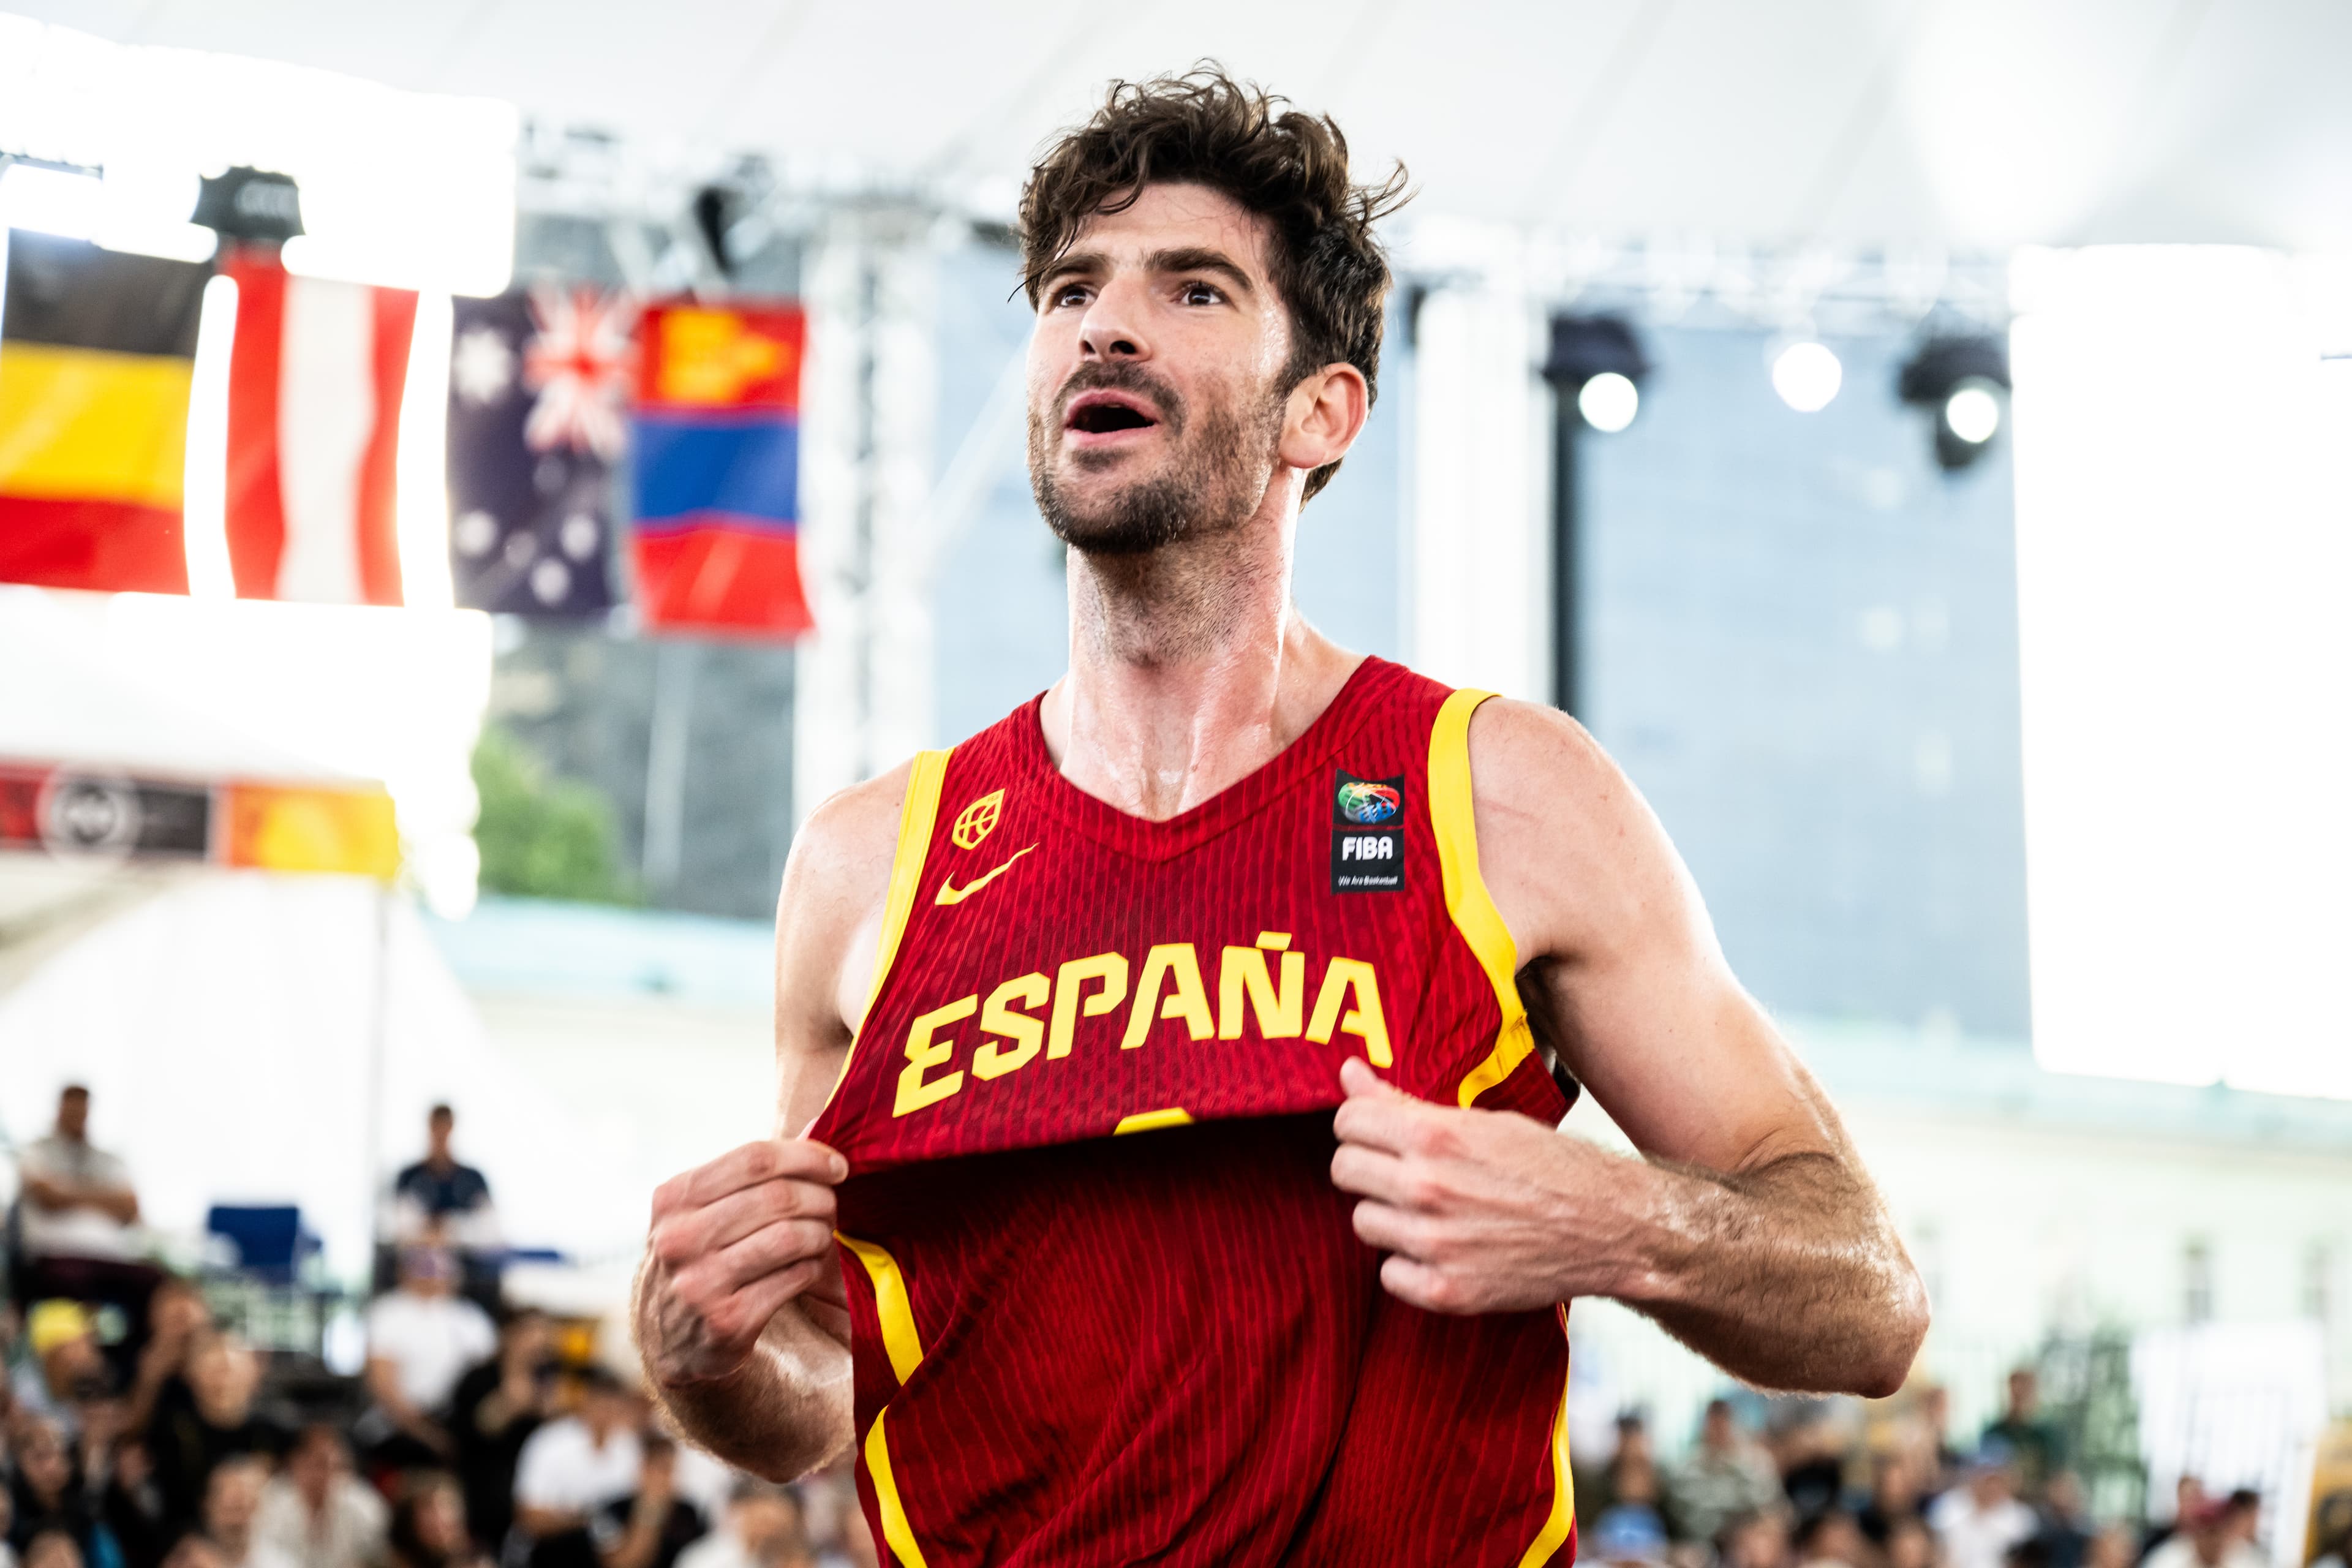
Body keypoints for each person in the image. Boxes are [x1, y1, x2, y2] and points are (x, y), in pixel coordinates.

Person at [632, 64, 1928, 1565]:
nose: (1105, 324)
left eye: (1191, 288)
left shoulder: (1500, 793)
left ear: (1321, 408)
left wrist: (1621, 1222)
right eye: (1070, 290)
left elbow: (1870, 1295)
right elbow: (816, 1388)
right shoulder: (869, 865)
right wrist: (702, 1355)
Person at [360, 1249, 496, 1471]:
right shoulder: (388, 1313)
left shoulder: (473, 1319)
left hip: (460, 1425)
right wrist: (429, 1435)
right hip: (400, 1428)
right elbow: (384, 1387)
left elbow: (488, 1378)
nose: (433, 1269)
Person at [148, 1333, 282, 1532]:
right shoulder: (173, 1432)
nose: (223, 1382)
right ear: (192, 1375)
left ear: (253, 1374)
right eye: (215, 1371)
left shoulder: (273, 1433)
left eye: (231, 1370)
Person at [447, 1308, 554, 1555]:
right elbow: (472, 1433)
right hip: (481, 1484)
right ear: (509, 1335)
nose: (537, 1341)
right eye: (529, 1332)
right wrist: (509, 1404)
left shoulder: (546, 1380)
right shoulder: (478, 1378)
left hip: (527, 1481)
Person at [511, 1369, 644, 1558]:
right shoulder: (550, 1442)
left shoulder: (629, 1446)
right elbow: (529, 1516)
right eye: (600, 1402)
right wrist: (585, 1520)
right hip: (548, 1551)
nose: (606, 1411)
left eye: (612, 1403)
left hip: (604, 1552)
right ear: (586, 1401)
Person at [252, 1425, 388, 1568]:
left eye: (336, 1466)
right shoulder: (270, 1501)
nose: (329, 1475)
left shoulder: (362, 1503)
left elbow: (377, 1554)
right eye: (320, 1464)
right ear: (297, 1463)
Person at [1670, 1401, 1785, 1547]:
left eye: (1724, 1422)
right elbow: (1684, 1517)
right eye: (1714, 1424)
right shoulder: (1688, 1468)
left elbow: (1770, 1504)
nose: (1719, 1430)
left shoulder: (1757, 1461)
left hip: (1750, 1539)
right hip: (1704, 1543)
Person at [585, 1437, 703, 1568]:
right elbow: (618, 1563)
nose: (664, 1478)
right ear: (643, 1469)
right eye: (660, 1469)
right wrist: (650, 1508)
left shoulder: (688, 1513)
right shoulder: (612, 1510)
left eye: (670, 1469)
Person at [391, 1109, 497, 1253]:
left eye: (445, 1127)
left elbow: (490, 1230)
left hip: (465, 1260)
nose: (440, 1134)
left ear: (452, 1128)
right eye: (436, 1127)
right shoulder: (409, 1178)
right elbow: (400, 1230)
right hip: (418, 1258)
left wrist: (449, 1229)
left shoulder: (473, 1179)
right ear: (429, 1128)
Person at [1928, 1446, 2038, 1568]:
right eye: (1985, 1478)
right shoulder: (1948, 1506)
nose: (1991, 1486)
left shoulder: (2022, 1519)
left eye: (1997, 1479)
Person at [674, 1483, 810, 1568]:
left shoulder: (792, 1561)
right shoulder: (706, 1558)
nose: (768, 1530)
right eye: (763, 1522)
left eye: (778, 1525)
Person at [1981, 1370, 2066, 1502]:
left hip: (2038, 1504)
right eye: (2016, 1393)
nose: (2020, 1398)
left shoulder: (2046, 1436)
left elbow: (2057, 1478)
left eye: (2025, 1392)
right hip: (2002, 1503)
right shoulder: (1995, 1433)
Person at [198, 1457, 296, 1568]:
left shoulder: (279, 1563)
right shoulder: (189, 1559)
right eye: (231, 1509)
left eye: (246, 1509)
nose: (237, 1521)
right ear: (207, 1506)